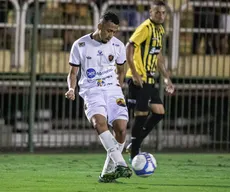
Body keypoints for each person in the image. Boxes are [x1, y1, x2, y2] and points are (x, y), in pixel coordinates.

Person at [65, 11, 132, 183]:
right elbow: (73, 73)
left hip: (113, 90)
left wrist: (119, 86)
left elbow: (122, 70)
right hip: (91, 90)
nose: (111, 35)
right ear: (99, 26)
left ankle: (106, 173)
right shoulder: (80, 45)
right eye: (109, 30)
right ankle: (121, 164)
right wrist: (71, 89)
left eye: (115, 31)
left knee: (121, 128)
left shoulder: (117, 46)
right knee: (99, 123)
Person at [125, 0, 175, 160]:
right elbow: (129, 47)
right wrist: (134, 73)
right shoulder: (145, 28)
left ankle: (135, 143)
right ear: (150, 12)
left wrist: (167, 78)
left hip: (150, 79)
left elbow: (158, 55)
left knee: (159, 112)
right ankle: (134, 155)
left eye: (163, 12)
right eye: (157, 12)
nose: (161, 15)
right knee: (141, 114)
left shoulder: (160, 30)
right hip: (139, 78)